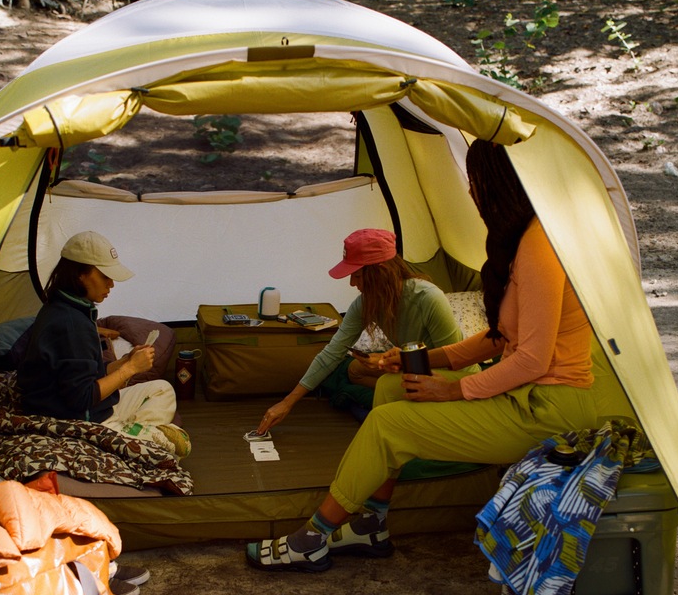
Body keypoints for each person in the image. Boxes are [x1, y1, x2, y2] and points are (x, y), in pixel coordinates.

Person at [247, 140, 598, 572]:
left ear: (499, 184)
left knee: (385, 425)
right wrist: (422, 363)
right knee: (392, 386)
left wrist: (452, 393)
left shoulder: (540, 247)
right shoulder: (522, 242)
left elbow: (534, 360)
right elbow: (497, 339)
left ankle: (311, 537)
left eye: (474, 182)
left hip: (548, 406)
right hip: (525, 392)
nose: (470, 193)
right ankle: (373, 524)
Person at [256, 227, 462, 434]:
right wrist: (287, 402)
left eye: (357, 276)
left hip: (445, 374)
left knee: (385, 385)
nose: (352, 283)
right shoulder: (366, 303)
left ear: (380, 271)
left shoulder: (428, 298)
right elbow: (332, 352)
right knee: (354, 369)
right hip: (408, 366)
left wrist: (395, 361)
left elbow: (455, 358)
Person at [17, 230, 190, 459]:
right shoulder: (70, 324)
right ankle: (125, 438)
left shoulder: (69, 309)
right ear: (80, 274)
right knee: (180, 448)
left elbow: (87, 375)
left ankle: (131, 434)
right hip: (77, 419)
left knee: (162, 389)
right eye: (104, 277)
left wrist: (124, 363)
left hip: (93, 408)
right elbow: (82, 397)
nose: (111, 285)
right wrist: (131, 369)